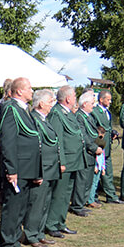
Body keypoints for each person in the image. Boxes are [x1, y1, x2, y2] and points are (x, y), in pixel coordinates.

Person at [0, 77, 41, 247]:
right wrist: (11, 169)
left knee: (21, 208)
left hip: (28, 167)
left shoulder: (24, 109)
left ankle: (15, 242)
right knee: (13, 208)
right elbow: (8, 141)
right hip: (18, 168)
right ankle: (6, 246)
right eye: (29, 88)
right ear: (19, 91)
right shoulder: (11, 109)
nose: (32, 91)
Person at [23, 89, 61, 247]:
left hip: (50, 167)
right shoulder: (35, 120)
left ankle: (39, 233)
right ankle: (31, 234)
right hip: (42, 167)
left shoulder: (44, 119)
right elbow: (36, 147)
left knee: (45, 203)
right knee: (36, 203)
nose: (53, 105)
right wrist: (37, 171)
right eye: (50, 101)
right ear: (41, 103)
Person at [45, 85, 83, 237]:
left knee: (66, 194)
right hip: (65, 160)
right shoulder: (56, 113)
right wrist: (61, 161)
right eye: (74, 96)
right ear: (68, 98)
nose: (75, 99)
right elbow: (57, 139)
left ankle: (61, 222)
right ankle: (51, 224)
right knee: (58, 194)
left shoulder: (67, 113)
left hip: (73, 160)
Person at [91, 90, 122, 204]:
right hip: (99, 146)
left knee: (108, 172)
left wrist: (112, 134)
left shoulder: (107, 112)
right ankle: (93, 197)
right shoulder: (95, 111)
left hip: (107, 147)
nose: (110, 101)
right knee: (96, 173)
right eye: (108, 99)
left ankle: (111, 196)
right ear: (101, 99)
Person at [75, 91, 104, 211]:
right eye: (92, 103)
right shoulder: (79, 117)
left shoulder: (89, 116)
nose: (94, 105)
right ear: (84, 104)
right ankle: (77, 205)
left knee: (88, 180)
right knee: (82, 181)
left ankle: (83, 202)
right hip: (85, 153)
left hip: (91, 153)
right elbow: (83, 136)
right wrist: (94, 148)